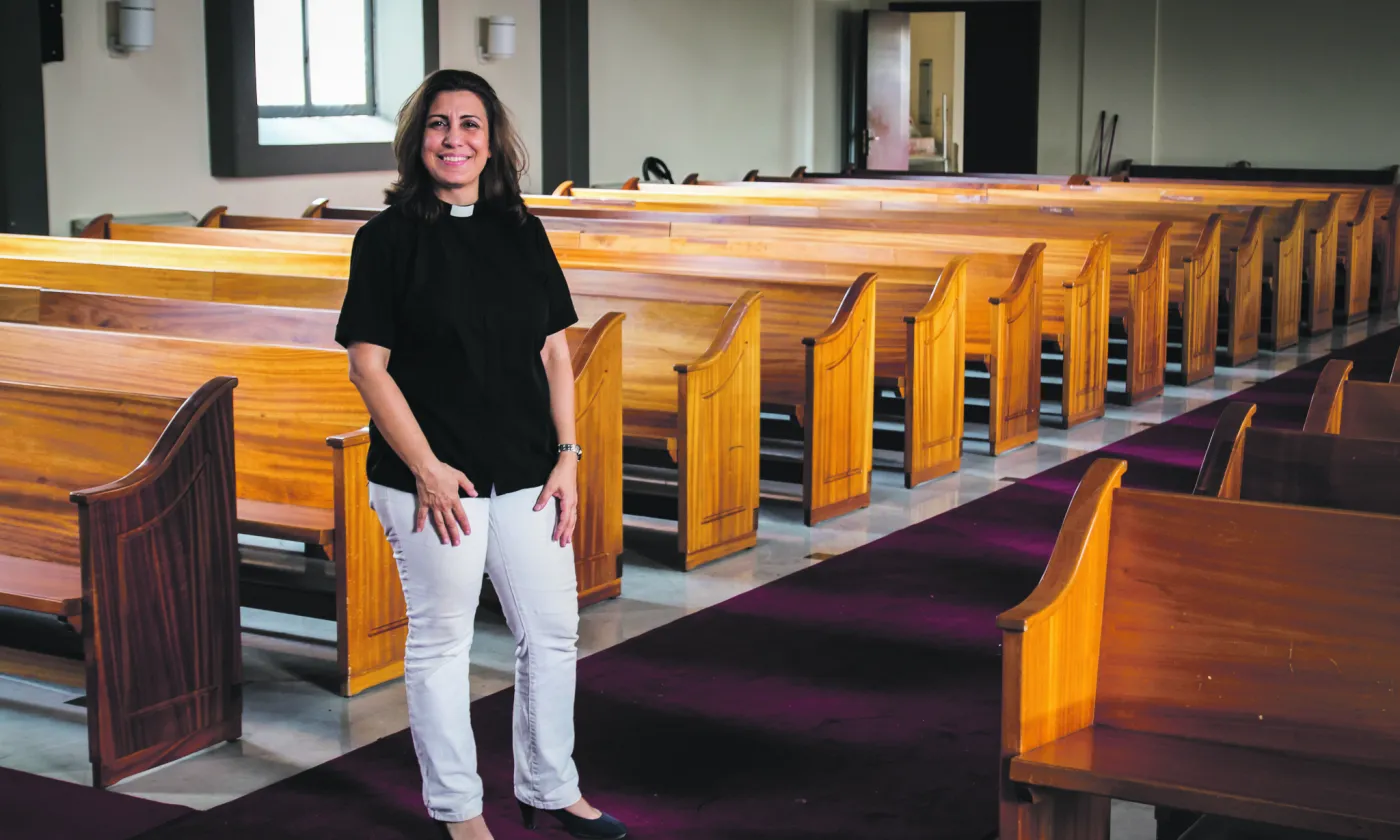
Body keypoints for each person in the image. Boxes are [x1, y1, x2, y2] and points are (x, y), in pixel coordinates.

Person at [334, 69, 627, 840]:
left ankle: (550, 786)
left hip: (529, 468)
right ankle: (458, 813)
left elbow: (554, 351)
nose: (454, 139)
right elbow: (368, 365)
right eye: (438, 124)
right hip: (432, 480)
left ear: (492, 139)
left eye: (469, 124)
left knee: (553, 631)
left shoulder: (522, 230)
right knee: (443, 642)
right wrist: (427, 468)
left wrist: (568, 453)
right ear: (416, 139)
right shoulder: (386, 240)